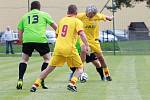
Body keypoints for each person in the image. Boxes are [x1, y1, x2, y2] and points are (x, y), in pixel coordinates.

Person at [30, 4, 89, 92]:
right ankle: (72, 83)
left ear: (67, 12)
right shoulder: (77, 21)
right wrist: (87, 45)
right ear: (76, 13)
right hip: (70, 48)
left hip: (58, 48)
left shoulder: (62, 20)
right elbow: (82, 34)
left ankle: (35, 85)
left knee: (48, 69)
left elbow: (57, 34)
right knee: (80, 68)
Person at [16, 1, 57, 90]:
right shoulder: (44, 14)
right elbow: (55, 26)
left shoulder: (25, 16)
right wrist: (59, 35)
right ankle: (41, 80)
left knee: (24, 60)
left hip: (28, 39)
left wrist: (20, 40)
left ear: (31, 7)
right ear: (39, 7)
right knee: (47, 59)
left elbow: (19, 29)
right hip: (40, 39)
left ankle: (20, 79)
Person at [69, 5, 113, 81]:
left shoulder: (97, 16)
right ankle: (79, 73)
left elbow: (105, 17)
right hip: (83, 39)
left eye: (93, 14)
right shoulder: (80, 16)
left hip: (94, 41)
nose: (91, 16)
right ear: (87, 12)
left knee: (101, 58)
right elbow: (71, 19)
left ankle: (107, 74)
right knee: (83, 51)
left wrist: (110, 18)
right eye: (90, 14)